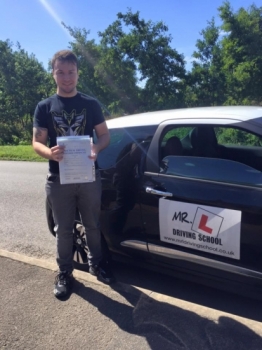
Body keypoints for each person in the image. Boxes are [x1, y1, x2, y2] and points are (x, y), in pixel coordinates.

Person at [32, 49, 114, 298]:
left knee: (92, 224)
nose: (66, 78)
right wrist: (50, 153)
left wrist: (96, 147)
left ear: (78, 74)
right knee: (64, 229)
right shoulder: (44, 107)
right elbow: (36, 143)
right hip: (59, 179)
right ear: (53, 74)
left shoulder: (90, 104)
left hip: (88, 176)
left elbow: (105, 136)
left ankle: (96, 264)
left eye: (71, 72)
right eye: (61, 72)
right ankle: (65, 272)